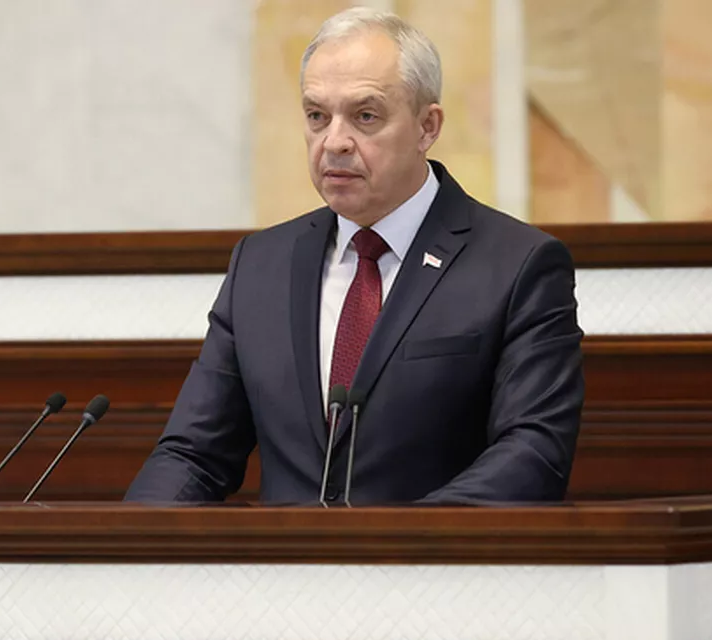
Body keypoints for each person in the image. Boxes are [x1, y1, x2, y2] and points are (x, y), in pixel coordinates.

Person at [124, 7, 583, 505]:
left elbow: (533, 453)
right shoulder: (260, 265)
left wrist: (391, 543)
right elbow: (193, 455)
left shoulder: (517, 265)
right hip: (283, 556)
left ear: (427, 127)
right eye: (317, 116)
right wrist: (128, 543)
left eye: (365, 116)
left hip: (431, 552)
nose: (335, 142)